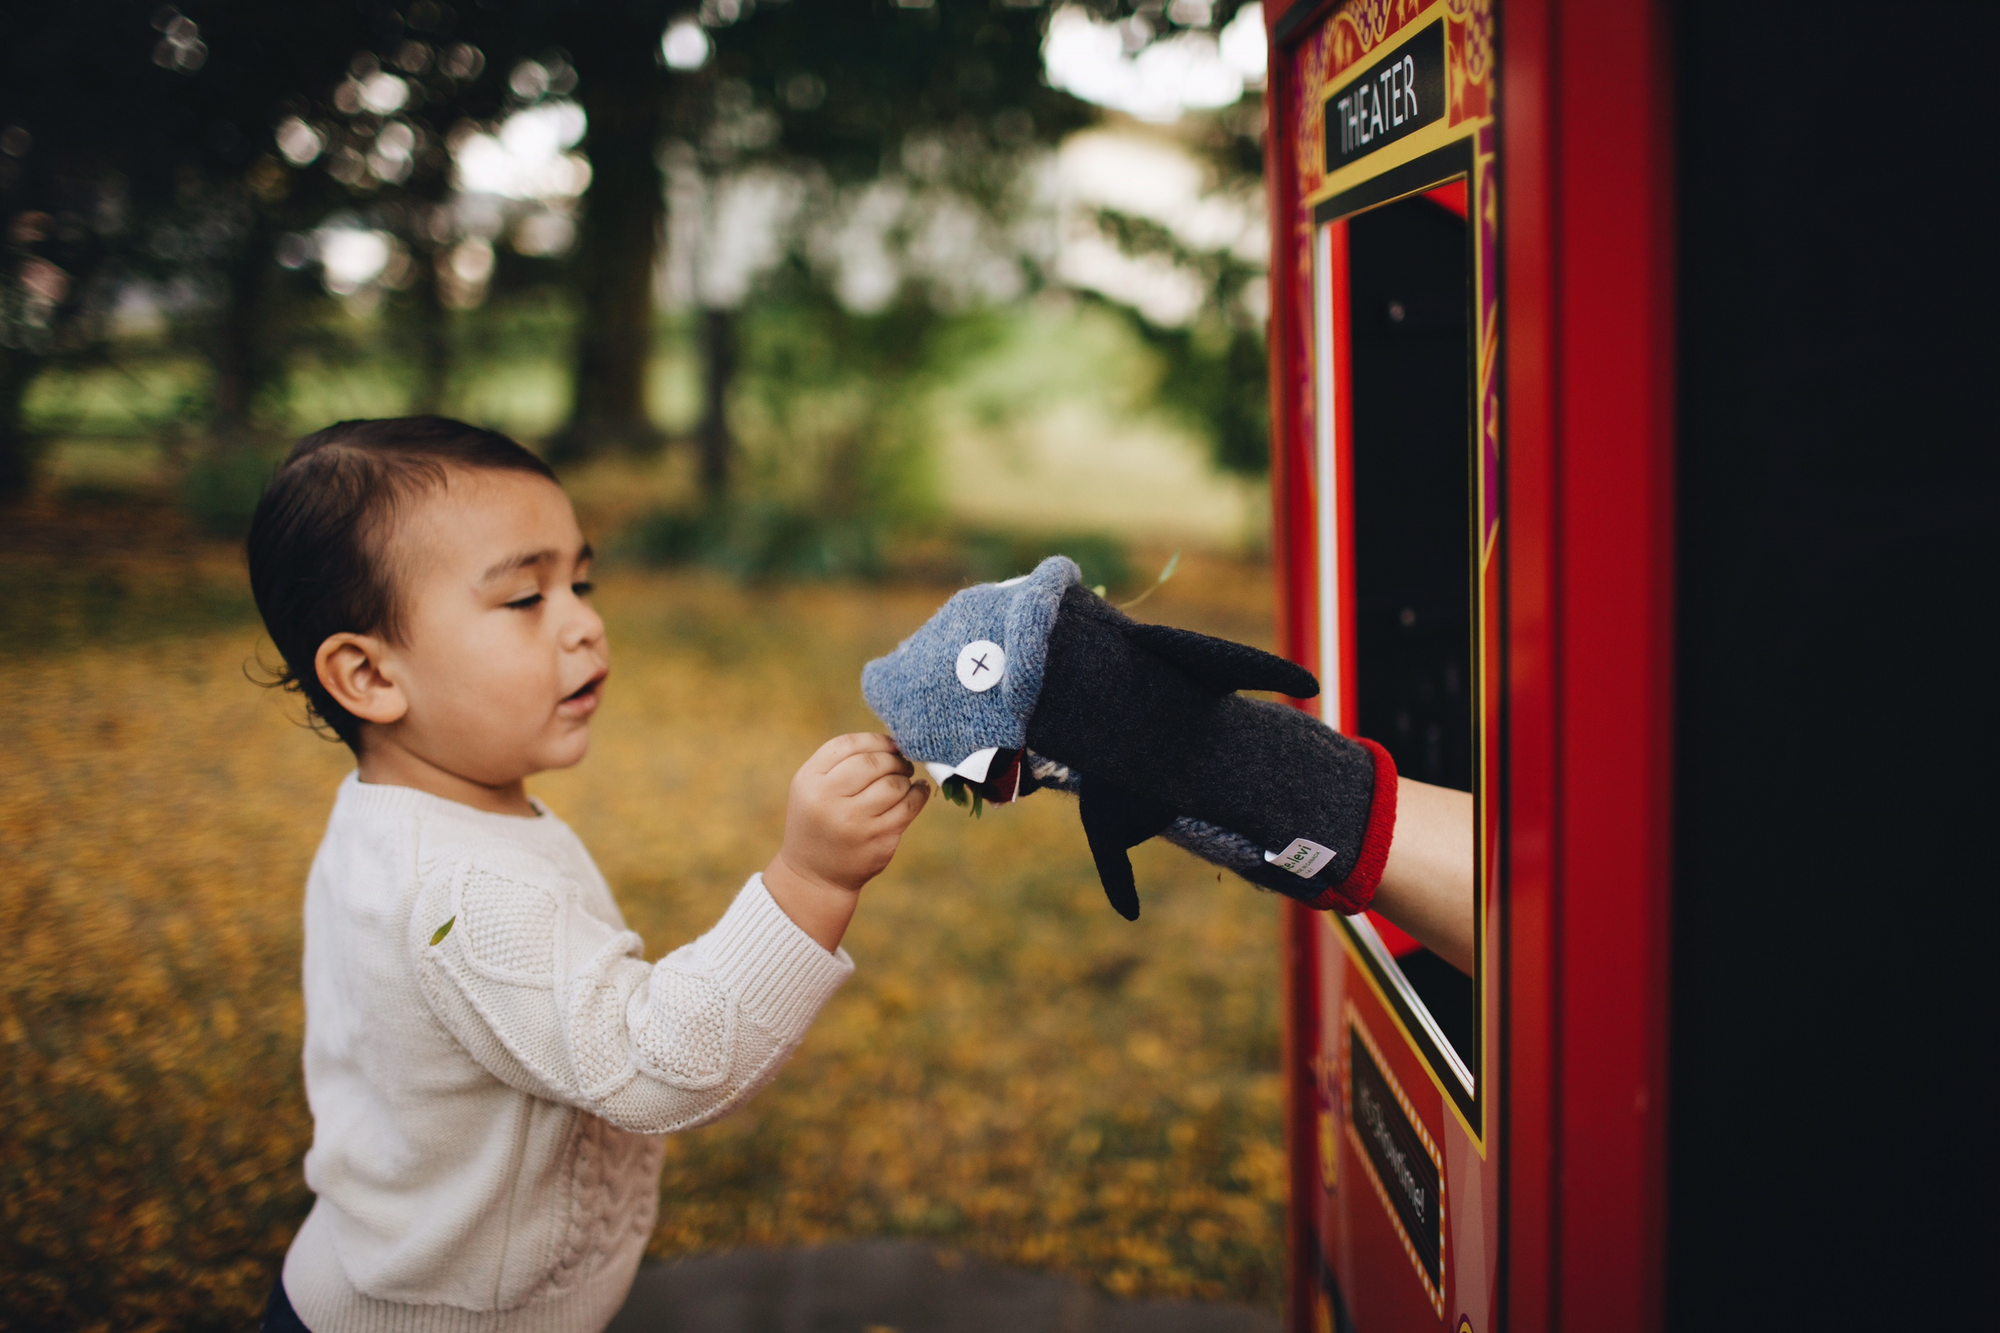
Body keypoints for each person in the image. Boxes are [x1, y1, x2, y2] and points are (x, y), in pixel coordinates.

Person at [244, 417, 929, 1333]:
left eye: (581, 580)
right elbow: (653, 1063)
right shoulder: (461, 891)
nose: (585, 621)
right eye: (526, 597)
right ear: (369, 675)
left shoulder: (401, 812)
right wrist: (812, 879)